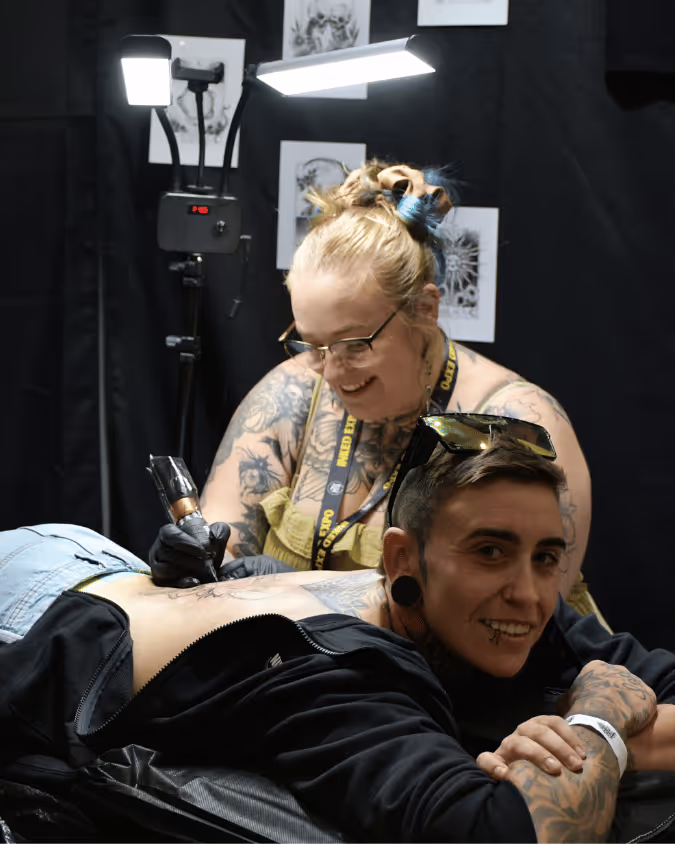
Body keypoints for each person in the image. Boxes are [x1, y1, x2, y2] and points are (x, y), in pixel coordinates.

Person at [1, 415, 674, 843]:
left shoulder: (509, 606)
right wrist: (597, 722)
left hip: (100, 571)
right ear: (401, 559)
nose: (529, 594)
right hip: (32, 601)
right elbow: (512, 834)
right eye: (490, 551)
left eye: (546, 557)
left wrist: (581, 735)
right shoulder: (341, 679)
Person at [149, 159, 599, 619]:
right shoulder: (293, 392)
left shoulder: (516, 421)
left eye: (354, 344)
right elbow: (223, 560)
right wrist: (195, 564)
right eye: (313, 344)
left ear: (425, 309)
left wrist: (291, 590)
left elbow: (509, 616)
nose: (330, 371)